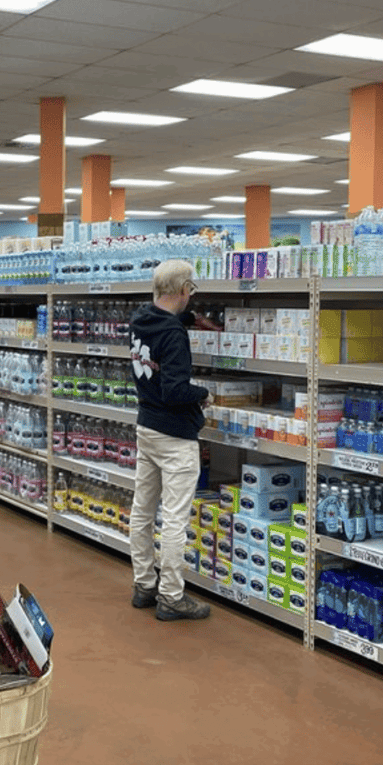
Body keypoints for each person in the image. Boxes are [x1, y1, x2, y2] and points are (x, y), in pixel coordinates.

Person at [129, 259, 212, 620]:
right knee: (175, 519)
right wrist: (204, 393)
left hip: (146, 426)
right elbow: (176, 389)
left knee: (142, 510)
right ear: (183, 290)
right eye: (191, 290)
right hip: (175, 435)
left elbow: (163, 328)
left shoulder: (141, 319)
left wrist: (193, 320)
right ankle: (172, 596)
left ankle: (144, 584)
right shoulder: (173, 335)